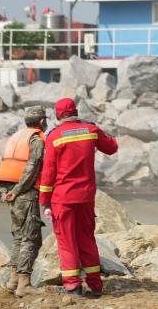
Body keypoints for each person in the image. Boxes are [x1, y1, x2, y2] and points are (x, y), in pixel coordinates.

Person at [39, 98, 118, 297]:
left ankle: (73, 286)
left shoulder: (54, 136)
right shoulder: (90, 131)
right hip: (86, 197)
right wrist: (98, 131)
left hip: (63, 198)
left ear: (58, 115)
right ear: (76, 111)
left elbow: (48, 173)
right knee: (86, 239)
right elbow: (112, 147)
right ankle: (95, 285)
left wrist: (44, 201)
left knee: (66, 242)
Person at [0, 105, 47, 297]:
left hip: (9, 190)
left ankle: (13, 280)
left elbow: (6, 164)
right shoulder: (36, 139)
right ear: (42, 122)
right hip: (24, 193)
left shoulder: (16, 137)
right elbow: (32, 168)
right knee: (31, 238)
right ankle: (24, 284)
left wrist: (6, 191)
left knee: (18, 236)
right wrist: (17, 191)